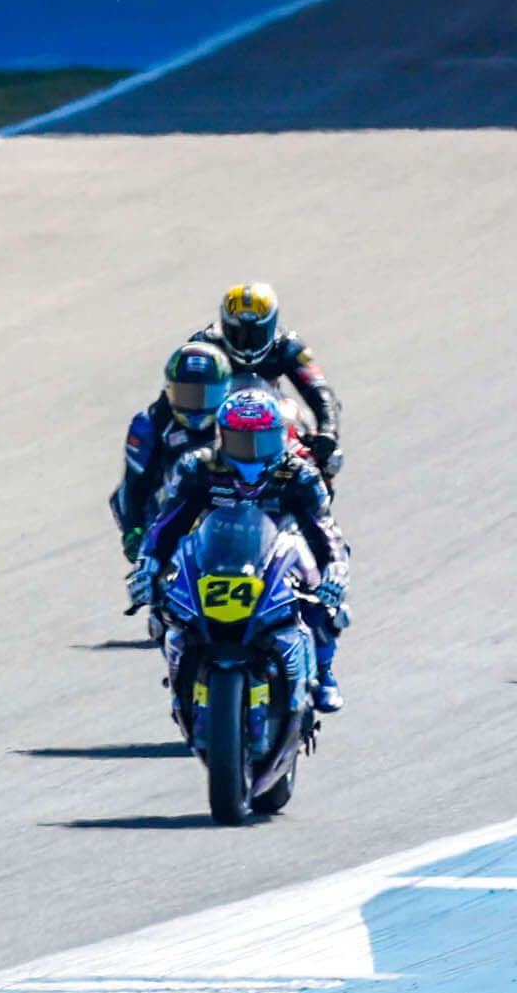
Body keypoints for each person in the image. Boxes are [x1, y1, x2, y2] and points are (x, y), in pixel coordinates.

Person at [133, 391, 348, 716]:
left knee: (326, 605)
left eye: (261, 441)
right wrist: (148, 565)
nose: (252, 452)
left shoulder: (300, 474)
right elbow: (168, 522)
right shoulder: (199, 467)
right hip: (217, 552)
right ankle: (184, 679)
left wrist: (334, 568)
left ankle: (323, 671)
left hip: (281, 555)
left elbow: (324, 529)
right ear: (221, 437)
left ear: (279, 436)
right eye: (241, 441)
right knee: (163, 606)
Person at [194, 283, 342, 475]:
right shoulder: (205, 345)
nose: (247, 343)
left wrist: (328, 432)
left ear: (271, 326)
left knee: (328, 459)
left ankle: (312, 498)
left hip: (270, 413)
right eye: (238, 334)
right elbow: (178, 390)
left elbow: (318, 389)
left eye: (255, 334)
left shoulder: (288, 345)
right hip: (216, 416)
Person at [116, 342, 236, 576]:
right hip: (173, 509)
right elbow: (132, 487)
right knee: (157, 583)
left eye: (205, 396)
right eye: (187, 395)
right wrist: (134, 533)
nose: (196, 405)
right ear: (169, 389)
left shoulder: (236, 420)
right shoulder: (151, 424)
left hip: (233, 508)